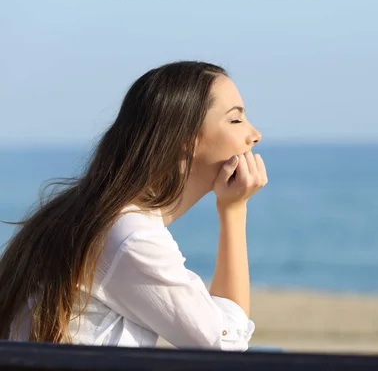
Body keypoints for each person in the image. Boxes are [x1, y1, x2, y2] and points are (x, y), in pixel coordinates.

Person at [0, 61, 267, 351]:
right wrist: (233, 211)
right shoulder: (131, 234)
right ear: (185, 139)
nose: (254, 134)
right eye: (236, 120)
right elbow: (226, 343)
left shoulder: (95, 213)